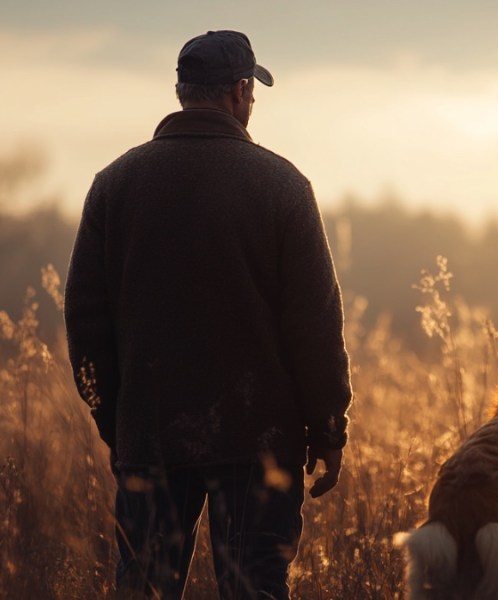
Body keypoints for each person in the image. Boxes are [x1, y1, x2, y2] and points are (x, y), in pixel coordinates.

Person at [64, 30, 352, 600]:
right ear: (241, 91)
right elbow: (315, 325)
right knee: (255, 589)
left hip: (149, 435)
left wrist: (117, 421)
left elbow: (85, 320)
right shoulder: (283, 186)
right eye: (253, 91)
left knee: (143, 586)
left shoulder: (114, 186)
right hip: (259, 442)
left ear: (182, 92)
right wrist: (328, 427)